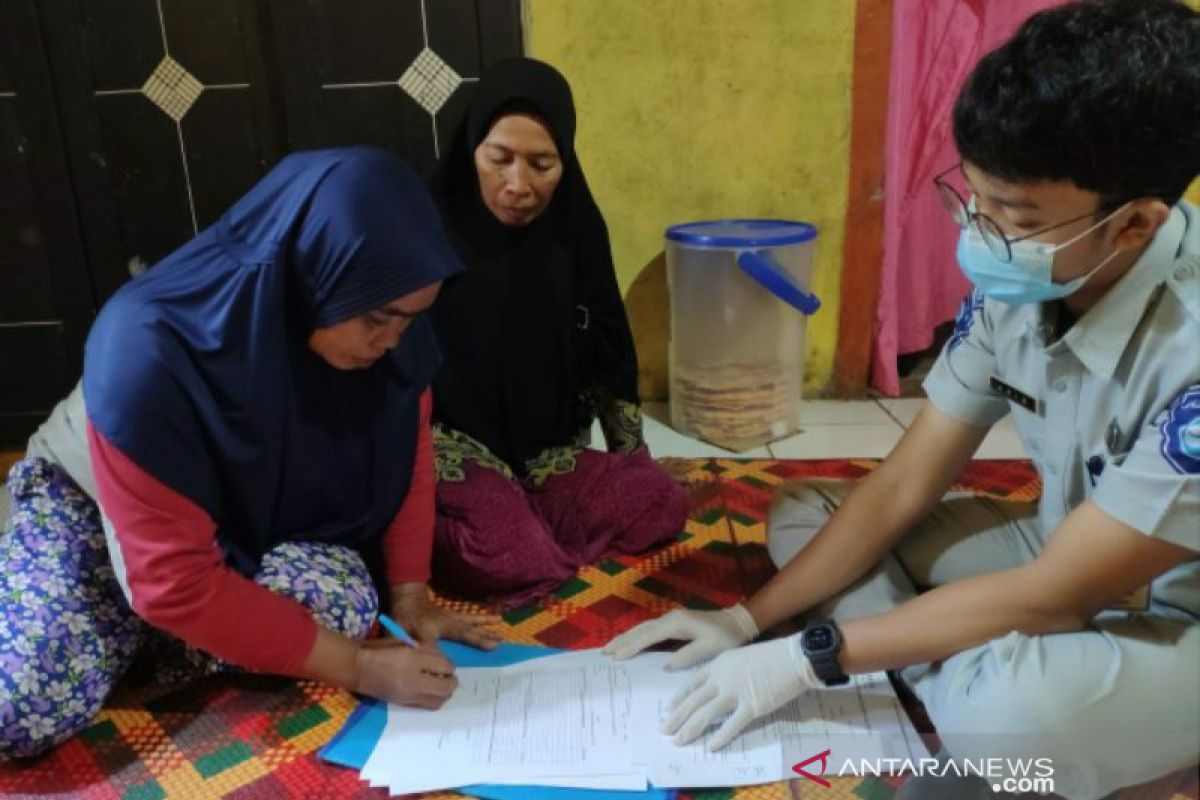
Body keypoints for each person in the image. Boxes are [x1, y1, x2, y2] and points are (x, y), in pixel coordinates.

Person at [606, 2, 1200, 798]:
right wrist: (745, 624)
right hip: (1075, 545)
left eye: (1014, 216)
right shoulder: (1035, 274)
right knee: (807, 514)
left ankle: (1027, 697)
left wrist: (813, 653)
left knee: (1010, 725)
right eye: (975, 199)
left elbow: (1061, 590)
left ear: (1133, 226)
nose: (980, 234)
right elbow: (902, 483)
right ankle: (957, 664)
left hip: (1173, 603)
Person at [0, 147, 501, 759]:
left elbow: (408, 454)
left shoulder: (388, 328)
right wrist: (359, 670)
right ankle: (136, 617)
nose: (395, 340)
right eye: (378, 317)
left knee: (341, 605)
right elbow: (173, 579)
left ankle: (151, 630)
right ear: (313, 272)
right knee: (19, 707)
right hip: (90, 509)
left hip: (239, 529)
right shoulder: (146, 349)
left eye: (411, 318)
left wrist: (412, 597)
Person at [427, 58, 690, 607]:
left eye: (542, 164)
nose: (518, 184)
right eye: (499, 160)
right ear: (472, 149)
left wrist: (630, 459)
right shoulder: (426, 226)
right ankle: (513, 524)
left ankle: (528, 517)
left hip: (548, 447)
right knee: (505, 556)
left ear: (566, 161)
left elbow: (608, 344)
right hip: (454, 443)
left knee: (660, 505)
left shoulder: (577, 229)